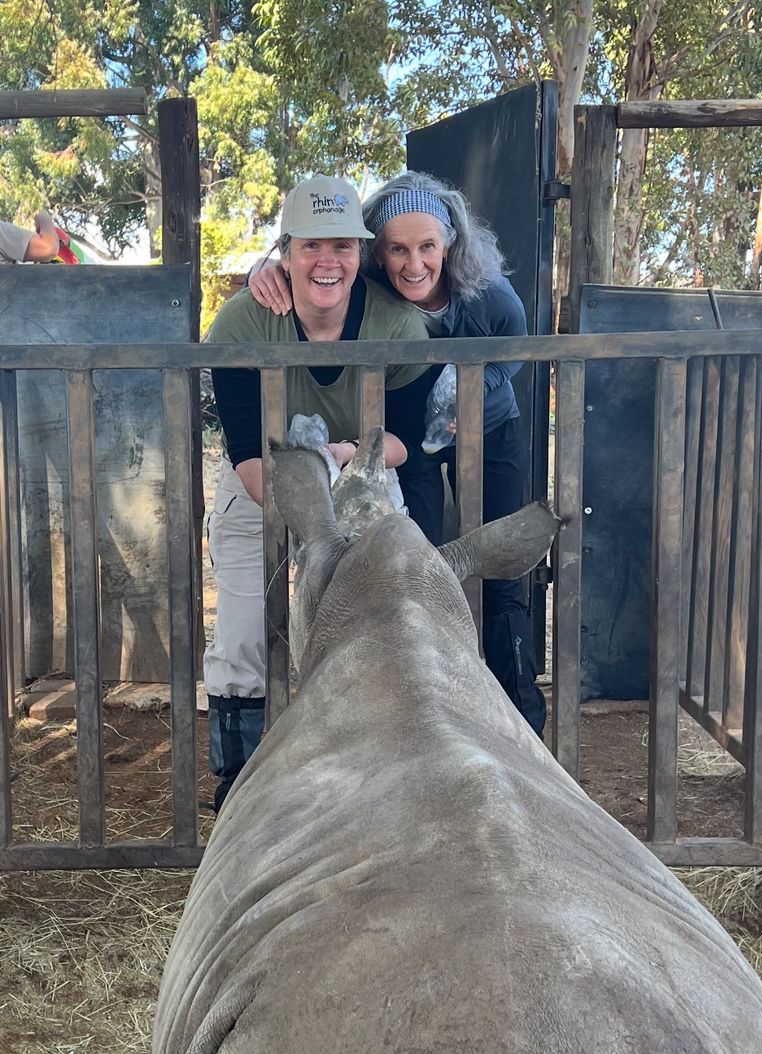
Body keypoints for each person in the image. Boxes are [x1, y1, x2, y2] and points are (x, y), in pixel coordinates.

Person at [248, 169, 547, 736]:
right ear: (377, 253)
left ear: (449, 245)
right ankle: (428, 697)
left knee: (506, 574)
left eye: (427, 247)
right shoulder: (371, 291)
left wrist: (466, 390)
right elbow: (314, 272)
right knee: (423, 560)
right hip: (417, 443)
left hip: (491, 427)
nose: (413, 264)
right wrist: (262, 270)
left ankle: (519, 713)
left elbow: (515, 350)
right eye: (397, 249)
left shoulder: (491, 295)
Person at [204, 174, 429, 811]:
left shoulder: (398, 324)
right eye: (310, 246)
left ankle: (386, 770)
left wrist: (346, 460)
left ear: (361, 254)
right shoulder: (244, 319)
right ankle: (239, 781)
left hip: (360, 472)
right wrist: (303, 513)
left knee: (391, 610)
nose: (326, 261)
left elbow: (403, 440)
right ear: (285, 251)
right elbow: (248, 453)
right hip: (263, 479)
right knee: (248, 624)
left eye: (343, 246)